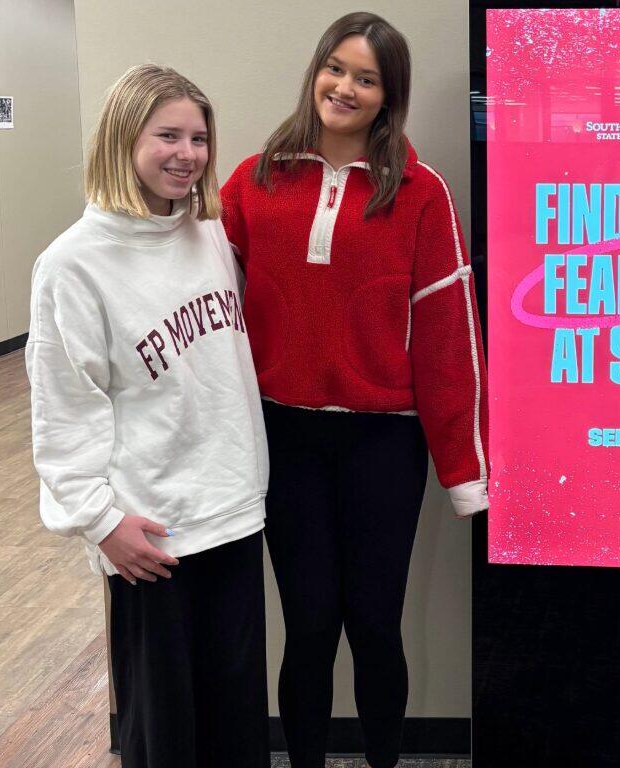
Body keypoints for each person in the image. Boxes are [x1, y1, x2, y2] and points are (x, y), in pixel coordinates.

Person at [220, 12, 488, 768]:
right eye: (336, 68)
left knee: (374, 624)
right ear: (316, 71)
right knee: (307, 627)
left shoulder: (422, 196)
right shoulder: (253, 181)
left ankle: (382, 761)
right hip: (285, 439)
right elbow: (207, 315)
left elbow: (448, 342)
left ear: (387, 95)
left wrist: (463, 470)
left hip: (384, 443)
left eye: (366, 78)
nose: (345, 87)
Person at [26, 64, 269, 767]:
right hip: (151, 534)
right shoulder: (72, 264)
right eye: (167, 134)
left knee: (236, 726)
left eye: (198, 137)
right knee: (163, 734)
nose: (187, 153)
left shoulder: (209, 236)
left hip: (232, 512)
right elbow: (63, 410)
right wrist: (99, 522)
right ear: (123, 138)